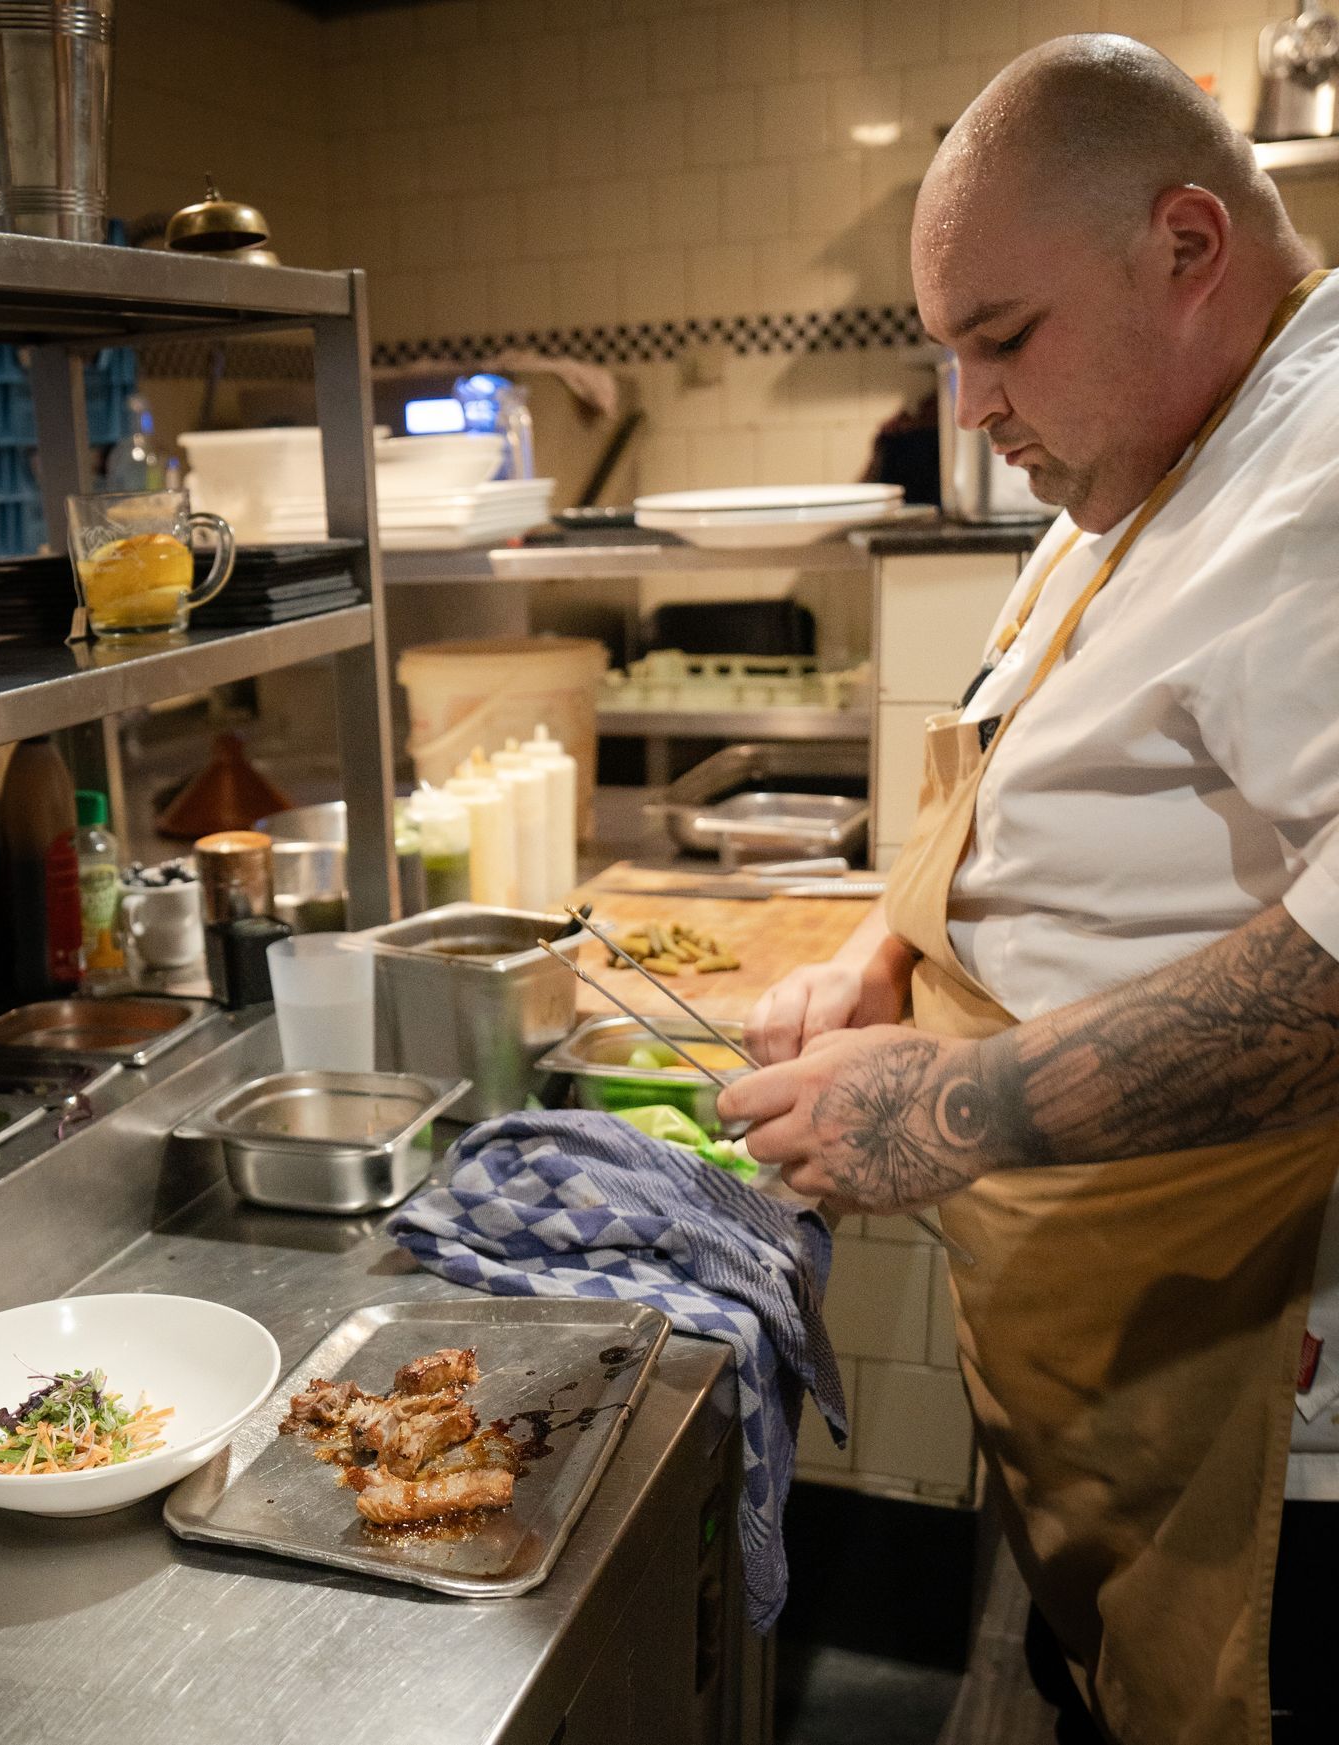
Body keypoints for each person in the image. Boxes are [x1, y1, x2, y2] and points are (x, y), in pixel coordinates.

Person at [713, 35, 1339, 1745]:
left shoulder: (1323, 468)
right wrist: (877, 952)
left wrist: (962, 1108)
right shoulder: (1141, 463)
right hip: (1105, 1365)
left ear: (1188, 249)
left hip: (1265, 1419)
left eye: (1003, 339)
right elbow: (1010, 769)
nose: (972, 408)